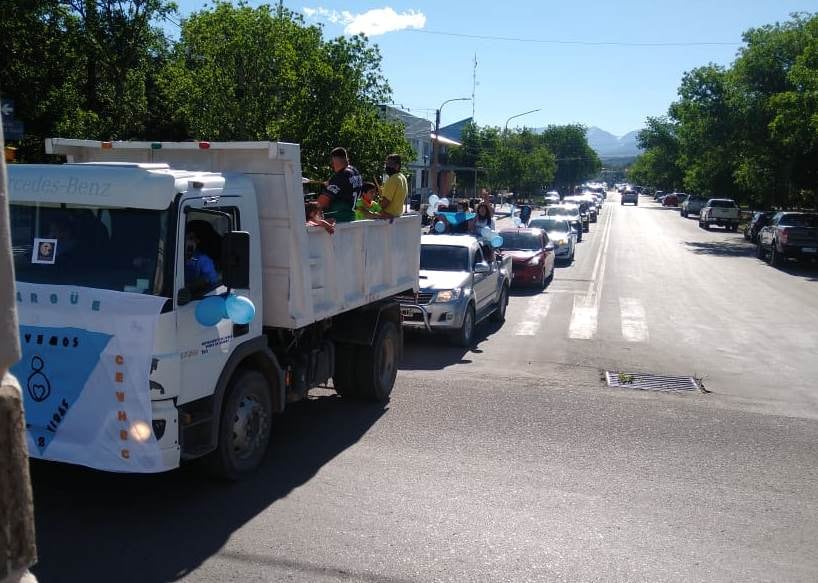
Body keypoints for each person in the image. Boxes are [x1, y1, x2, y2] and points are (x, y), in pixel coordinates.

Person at [318, 147, 362, 223]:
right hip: (350, 216)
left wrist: (310, 206)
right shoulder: (355, 172)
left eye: (332, 162)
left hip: (338, 218)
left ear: (336, 160)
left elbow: (323, 201)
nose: (332, 165)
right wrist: (331, 183)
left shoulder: (341, 175)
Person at [184, 221, 219, 294]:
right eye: (187, 238)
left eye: (191, 238)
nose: (189, 242)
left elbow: (212, 279)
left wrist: (194, 285)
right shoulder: (169, 255)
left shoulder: (203, 259)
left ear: (197, 241)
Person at [379, 154, 407, 218]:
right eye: (386, 164)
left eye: (390, 164)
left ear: (397, 166)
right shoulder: (403, 177)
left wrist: (377, 204)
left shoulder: (393, 179)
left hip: (388, 216)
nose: (387, 166)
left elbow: (384, 203)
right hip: (398, 215)